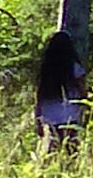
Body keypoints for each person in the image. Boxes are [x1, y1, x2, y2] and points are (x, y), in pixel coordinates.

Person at [33, 23, 86, 152]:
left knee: (53, 148)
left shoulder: (46, 69)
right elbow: (82, 88)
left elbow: (38, 95)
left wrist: (37, 117)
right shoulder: (73, 67)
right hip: (70, 113)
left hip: (49, 113)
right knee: (71, 148)